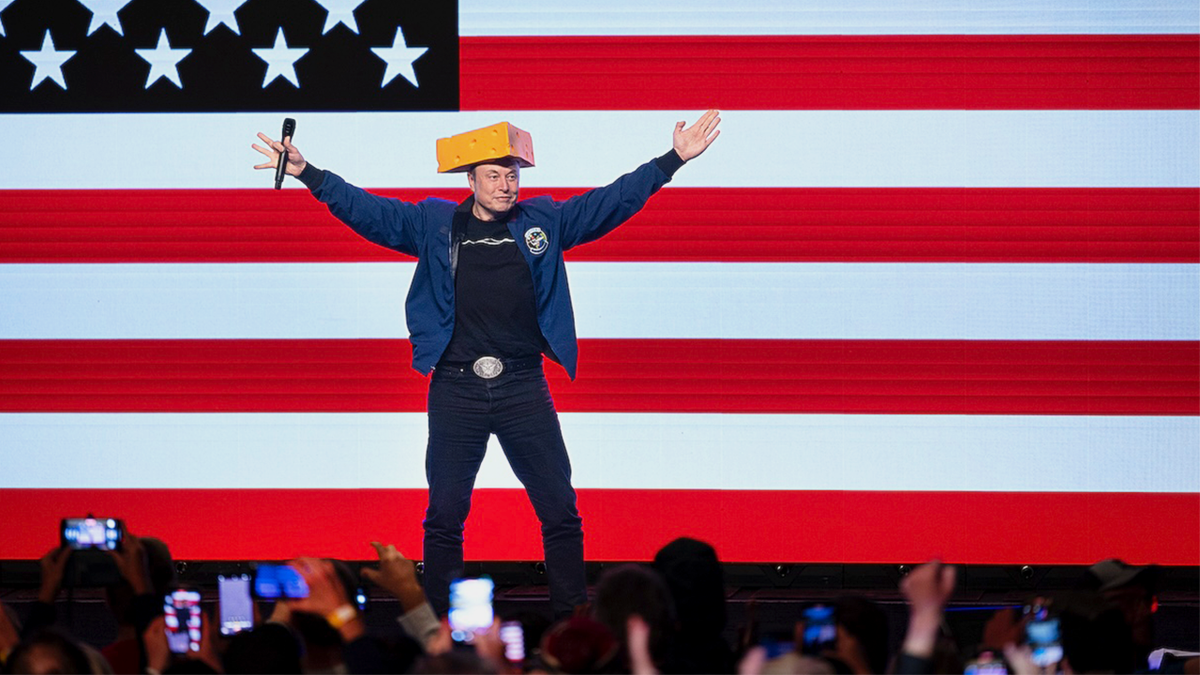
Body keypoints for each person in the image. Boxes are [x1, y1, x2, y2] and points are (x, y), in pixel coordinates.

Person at [251, 111, 722, 618]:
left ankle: (572, 624)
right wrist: (309, 174)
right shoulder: (434, 224)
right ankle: (439, 629)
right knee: (444, 518)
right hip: (457, 388)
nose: (505, 185)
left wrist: (672, 159)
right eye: (493, 175)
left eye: (511, 174)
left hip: (523, 385)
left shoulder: (543, 222)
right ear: (470, 181)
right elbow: (370, 212)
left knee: (560, 511)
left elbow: (611, 201)